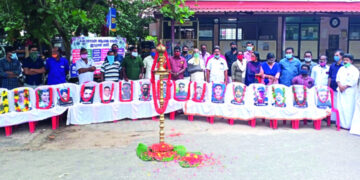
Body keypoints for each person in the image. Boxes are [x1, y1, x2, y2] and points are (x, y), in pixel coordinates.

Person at [336, 54, 359, 129]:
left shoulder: (354, 70)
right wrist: (340, 85)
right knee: (340, 108)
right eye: (344, 60)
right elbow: (338, 79)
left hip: (349, 92)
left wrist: (345, 87)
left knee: (348, 109)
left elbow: (354, 81)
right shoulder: (341, 69)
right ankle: (340, 124)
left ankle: (348, 125)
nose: (345, 61)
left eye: (347, 60)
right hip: (341, 91)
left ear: (351, 61)